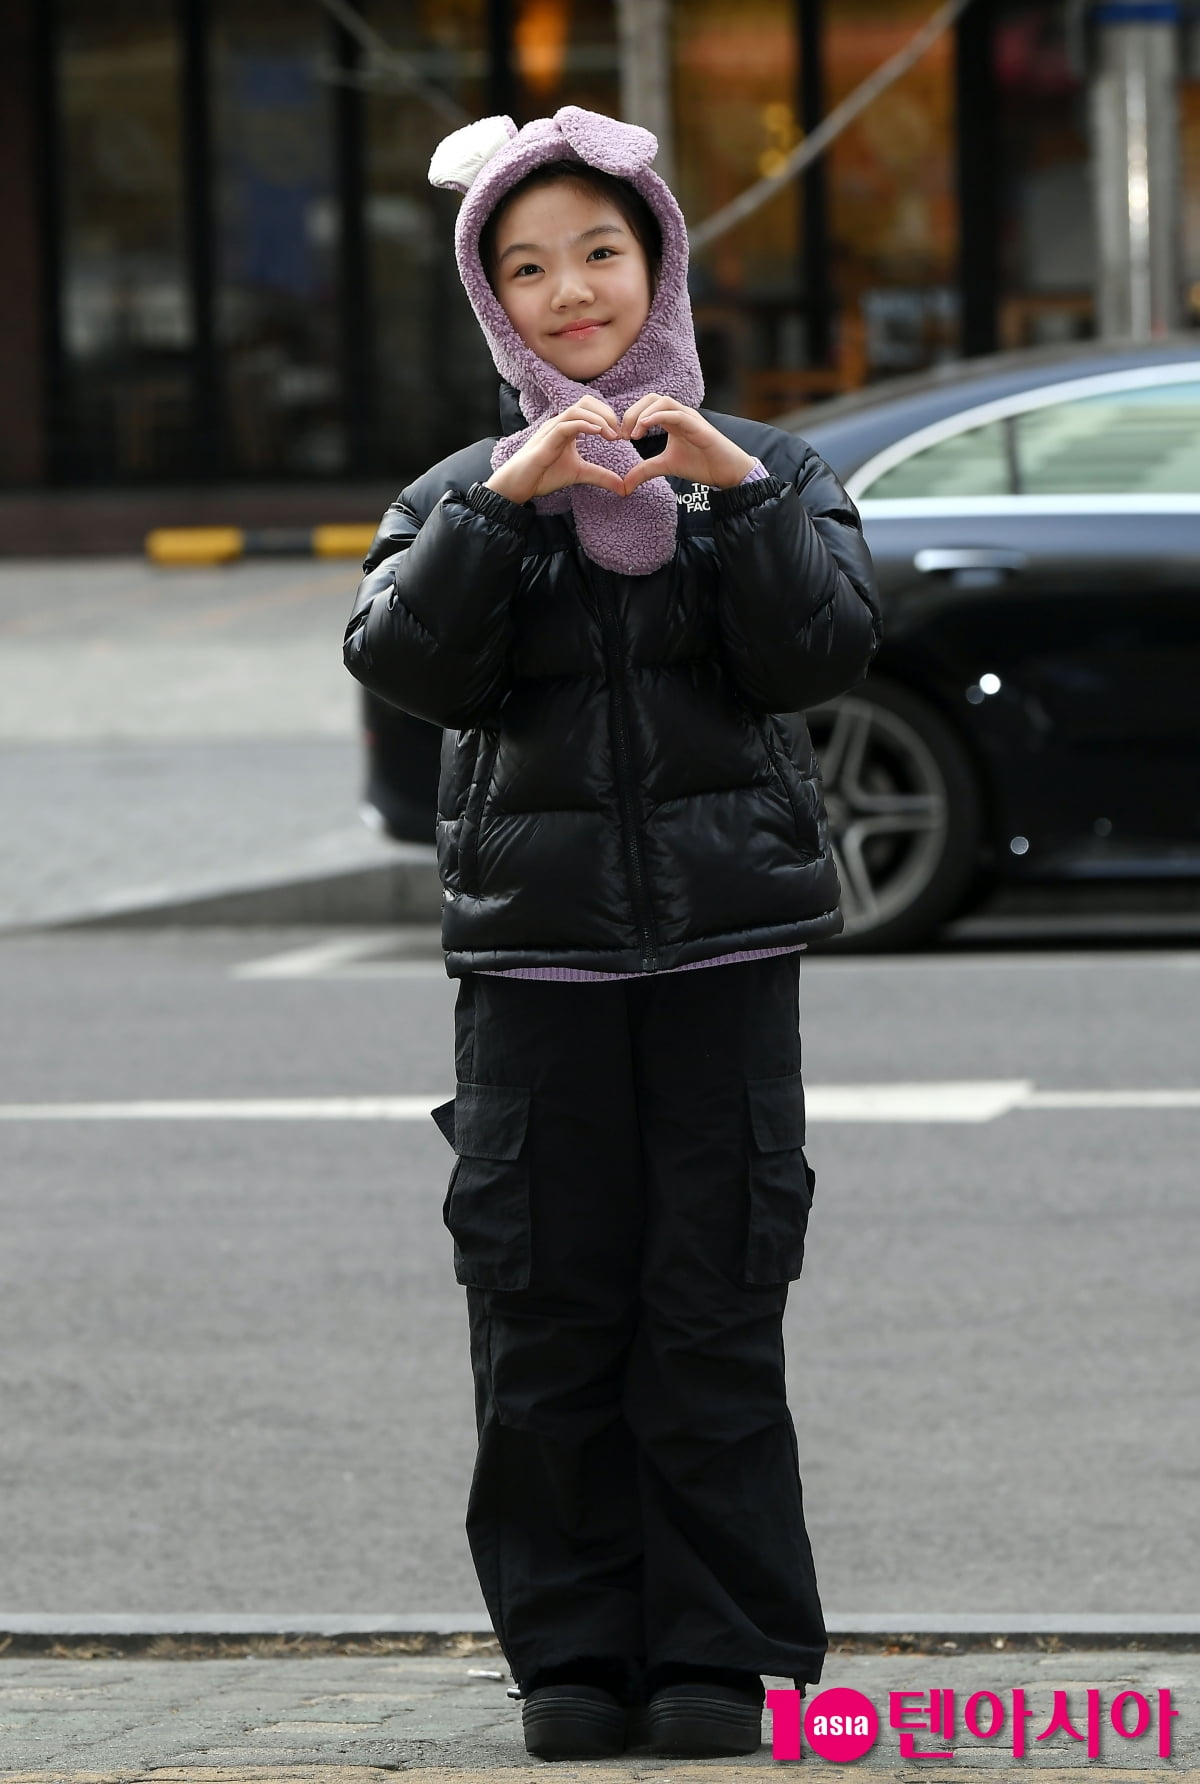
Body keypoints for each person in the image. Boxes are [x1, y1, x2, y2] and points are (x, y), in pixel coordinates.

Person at [343, 105, 881, 1762]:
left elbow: (821, 656)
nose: (571, 291)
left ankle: (721, 1661)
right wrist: (502, 509)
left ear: (656, 262)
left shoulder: (770, 468)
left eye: (598, 252)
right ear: (490, 299)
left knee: (713, 1313)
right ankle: (570, 1661)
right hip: (533, 972)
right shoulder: (455, 491)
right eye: (527, 266)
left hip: (724, 962)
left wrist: (728, 497)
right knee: (546, 1317)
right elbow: (408, 669)